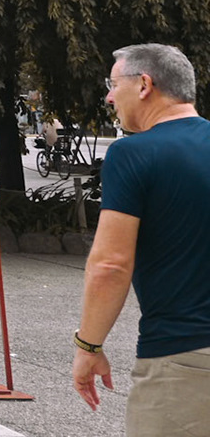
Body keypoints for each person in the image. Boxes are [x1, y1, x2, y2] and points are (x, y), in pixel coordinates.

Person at [72, 43, 210, 434]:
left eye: (114, 84)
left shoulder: (133, 154)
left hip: (183, 358)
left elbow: (110, 265)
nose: (110, 95)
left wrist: (89, 346)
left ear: (145, 84)